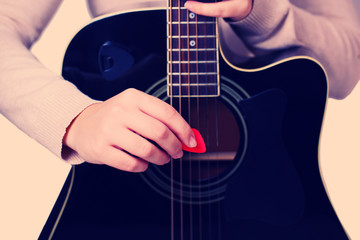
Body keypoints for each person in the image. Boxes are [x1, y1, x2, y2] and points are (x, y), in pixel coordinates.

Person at [0, 0, 359, 173]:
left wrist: (257, 11)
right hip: (127, 193)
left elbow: (346, 68)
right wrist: (76, 117)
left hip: (267, 189)